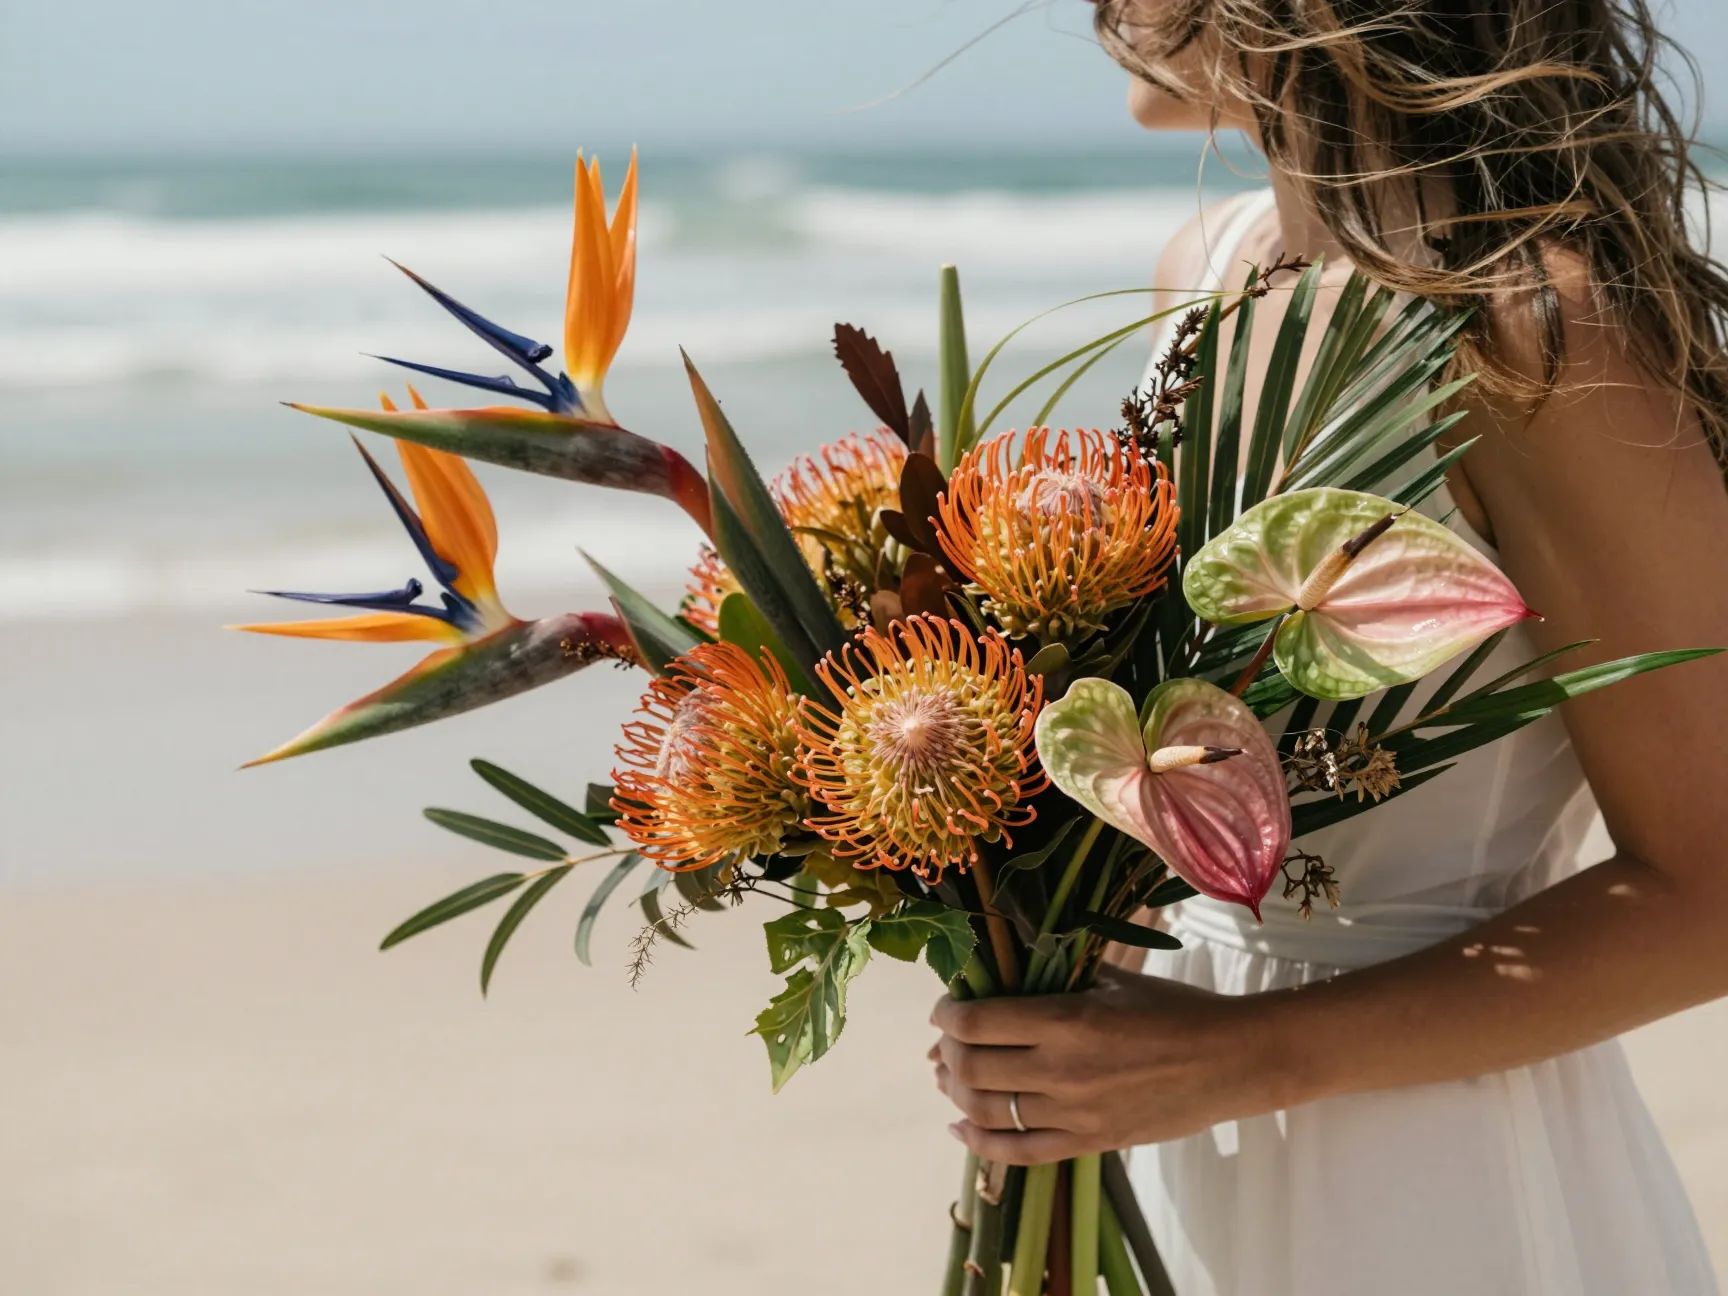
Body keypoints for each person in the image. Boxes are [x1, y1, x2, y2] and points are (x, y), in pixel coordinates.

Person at [929, 2, 1728, 1291]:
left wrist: (1240, 1059)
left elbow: (1717, 898)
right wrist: (1051, 974)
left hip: (1439, 1172)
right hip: (1164, 1128)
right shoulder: (1206, 264)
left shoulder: (1533, 338)